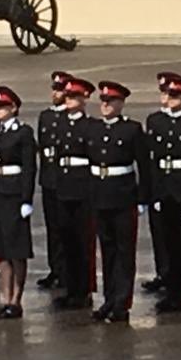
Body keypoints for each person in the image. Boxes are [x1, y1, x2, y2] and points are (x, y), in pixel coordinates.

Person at [88, 81, 149, 325]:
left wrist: (143, 198)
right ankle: (109, 298)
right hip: (100, 195)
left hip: (123, 196)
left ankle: (122, 302)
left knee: (124, 253)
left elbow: (144, 166)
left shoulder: (132, 130)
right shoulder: (93, 129)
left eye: (110, 101)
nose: (105, 105)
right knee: (107, 251)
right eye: (102, 101)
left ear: (120, 104)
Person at [0, 86, 36, 319]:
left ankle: (16, 299)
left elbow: (28, 168)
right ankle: (4, 297)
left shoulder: (23, 133)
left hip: (14, 194)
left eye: (3, 106)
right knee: (1, 250)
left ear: (14, 108)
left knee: (16, 249)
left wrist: (26, 199)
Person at [147, 73, 181, 314]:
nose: (170, 98)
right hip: (163, 187)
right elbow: (151, 159)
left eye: (176, 95)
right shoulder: (156, 121)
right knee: (167, 242)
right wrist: (152, 192)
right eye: (168, 94)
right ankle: (170, 288)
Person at [51, 77, 96, 311]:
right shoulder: (60, 124)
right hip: (65, 188)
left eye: (73, 97)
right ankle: (71, 288)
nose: (69, 101)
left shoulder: (90, 126)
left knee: (83, 241)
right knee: (67, 240)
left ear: (84, 99)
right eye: (67, 97)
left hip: (82, 189)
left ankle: (84, 290)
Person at [36, 70, 71, 290]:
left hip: (66, 179)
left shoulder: (70, 117)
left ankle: (67, 271)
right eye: (54, 89)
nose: (55, 93)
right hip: (49, 178)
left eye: (59, 89)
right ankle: (55, 268)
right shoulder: (46, 116)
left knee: (66, 228)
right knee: (52, 227)